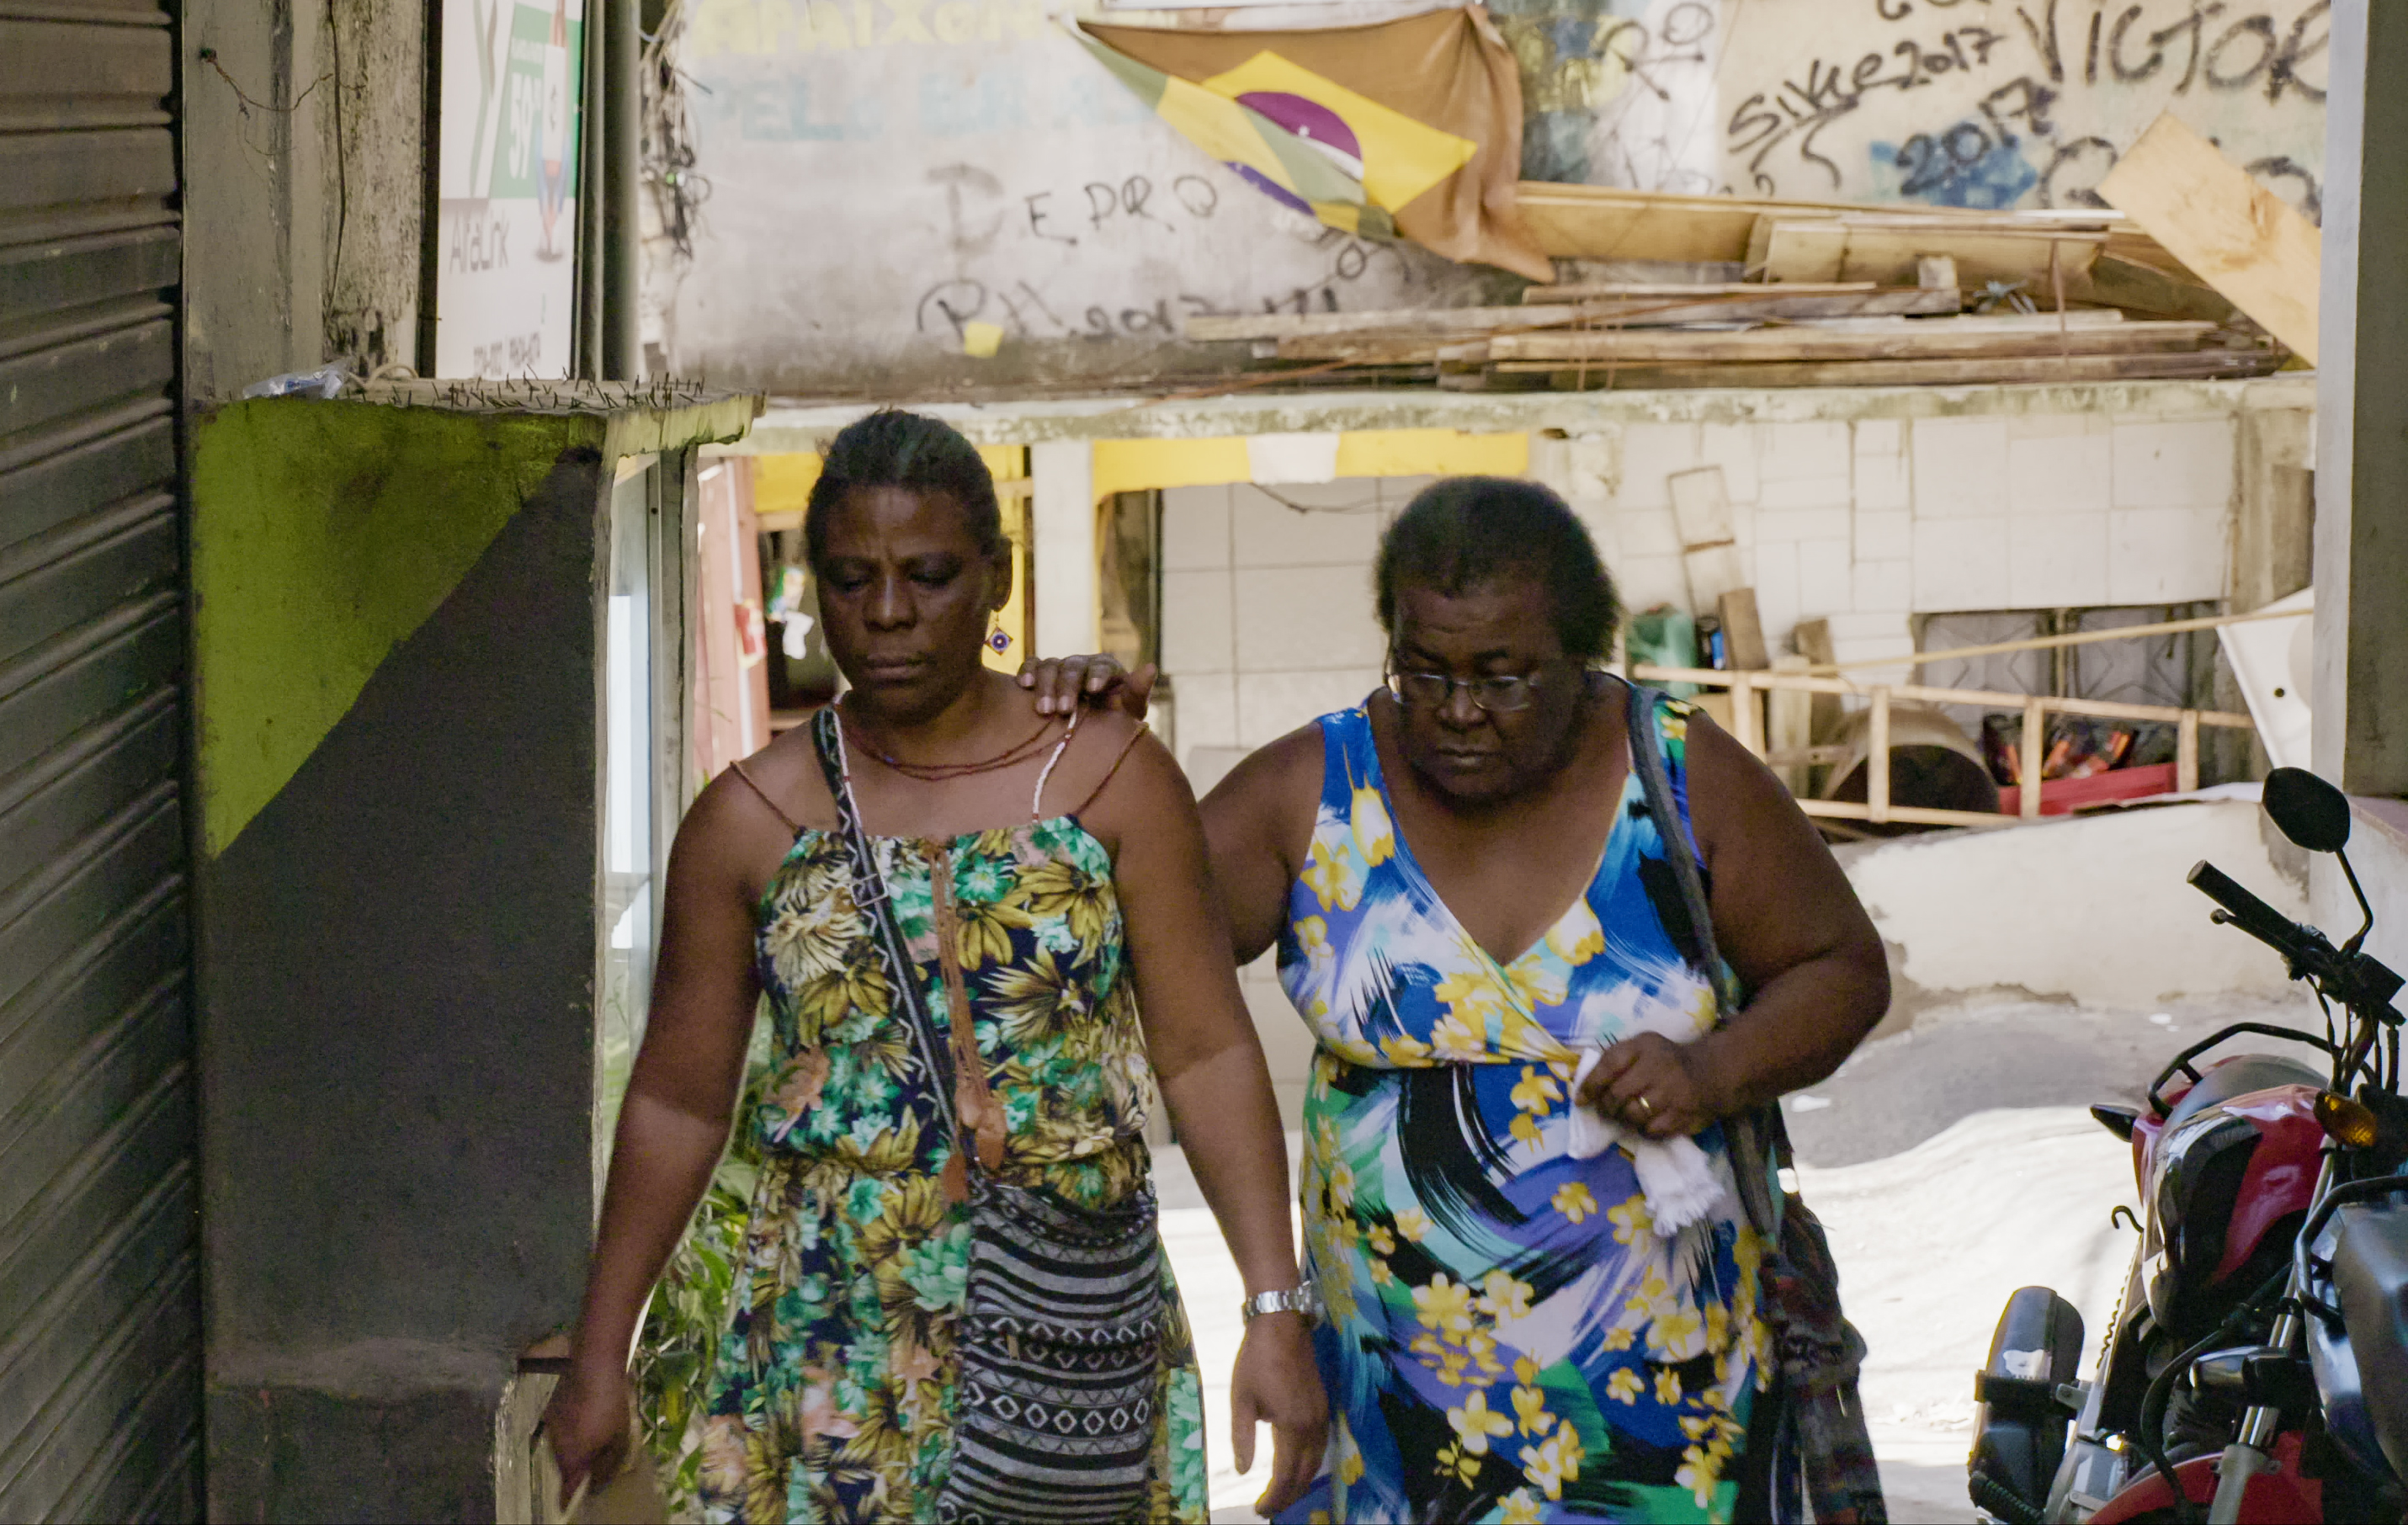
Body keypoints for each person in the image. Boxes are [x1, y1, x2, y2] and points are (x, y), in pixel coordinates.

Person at [1022, 476, 1891, 1523]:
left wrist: (1712, 1071)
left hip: (1662, 1415)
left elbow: (1840, 968)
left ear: (1582, 655)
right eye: (1424, 672)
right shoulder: (1314, 786)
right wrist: (1093, 774)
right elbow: (1109, 952)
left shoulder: (1678, 774)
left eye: (1502, 676)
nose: (1459, 710)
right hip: (1395, 1417)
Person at [542, 410, 1326, 1523]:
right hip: (829, 1348)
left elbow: (1205, 1055)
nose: (887, 612)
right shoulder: (750, 820)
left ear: (996, 577)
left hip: (1070, 1330)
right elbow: (677, 1102)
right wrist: (599, 1353)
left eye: (928, 574)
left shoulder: (1108, 779)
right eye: (850, 579)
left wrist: (1272, 1309)